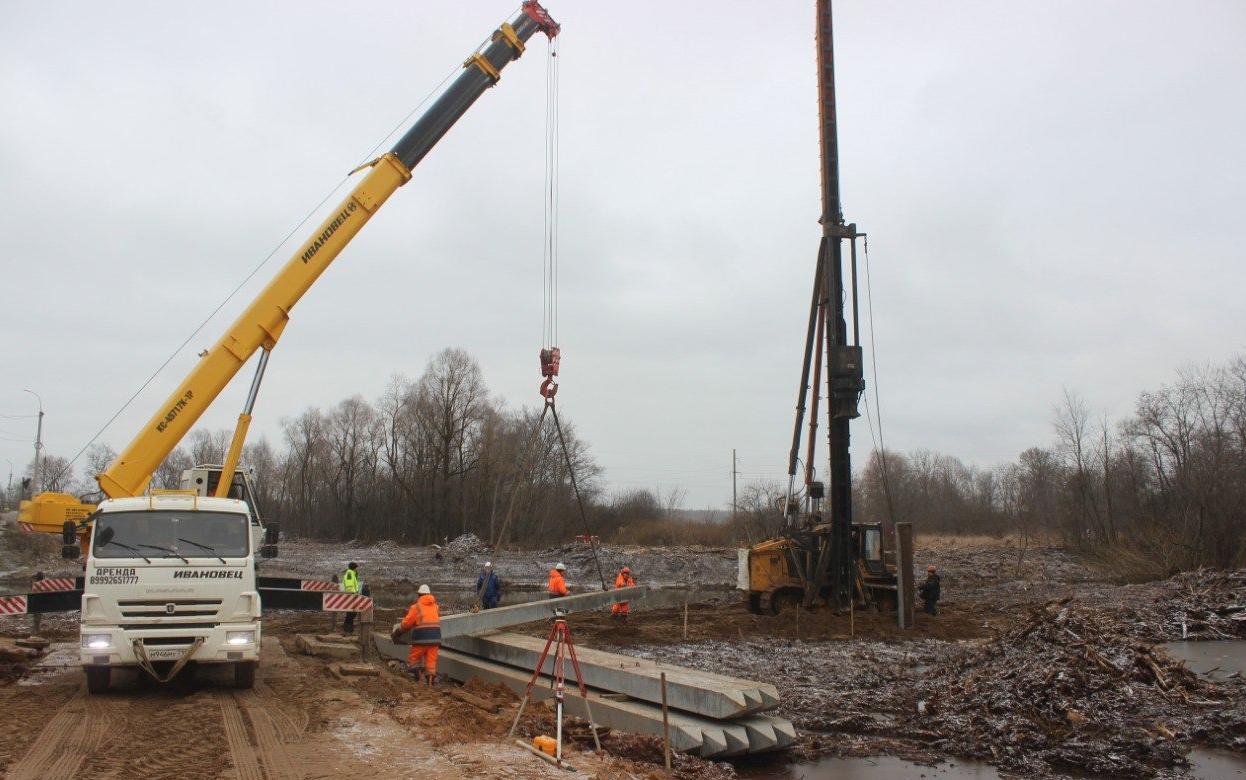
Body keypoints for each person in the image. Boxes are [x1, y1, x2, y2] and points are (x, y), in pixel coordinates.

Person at [393, 584, 441, 684]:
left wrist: (398, 631)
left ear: (419, 595)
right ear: (429, 594)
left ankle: (419, 679)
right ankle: (430, 682)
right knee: (431, 662)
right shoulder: (436, 607)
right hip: (436, 638)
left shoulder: (416, 607)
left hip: (421, 638)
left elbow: (407, 623)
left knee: (414, 658)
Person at [341, 562, 361, 635]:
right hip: (351, 595)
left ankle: (349, 629)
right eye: (356, 568)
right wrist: (353, 593)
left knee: (351, 614)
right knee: (351, 613)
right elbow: (349, 585)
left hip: (351, 595)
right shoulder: (349, 573)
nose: (356, 569)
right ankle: (348, 630)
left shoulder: (351, 573)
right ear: (354, 568)